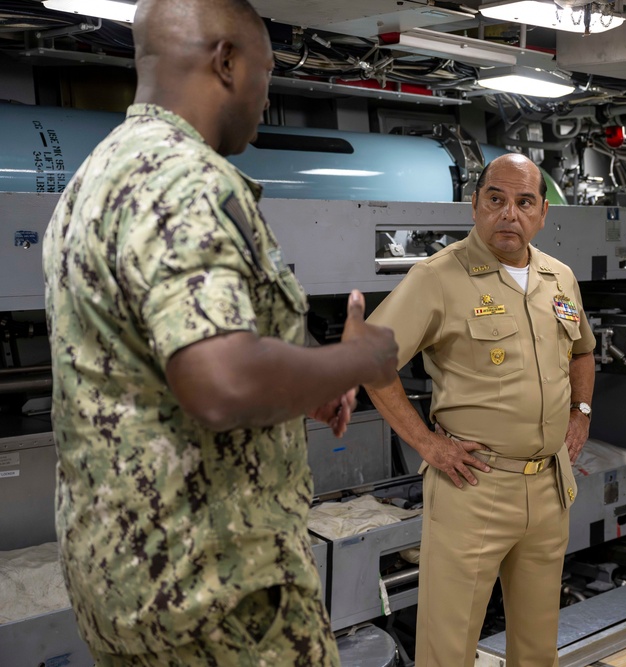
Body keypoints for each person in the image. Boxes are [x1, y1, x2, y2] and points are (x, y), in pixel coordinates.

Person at [42, 0, 397, 665]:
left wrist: (298, 387)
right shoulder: (185, 180)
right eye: (266, 73)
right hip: (218, 596)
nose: (267, 98)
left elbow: (163, 366)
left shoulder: (94, 178)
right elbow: (222, 380)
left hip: (125, 585)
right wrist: (357, 358)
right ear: (226, 61)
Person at [364, 152, 597, 667]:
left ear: (542, 215)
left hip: (549, 486)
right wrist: (427, 444)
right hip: (475, 486)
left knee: (537, 647)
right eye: (496, 199)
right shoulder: (438, 277)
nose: (508, 214)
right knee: (448, 649)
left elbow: (583, 350)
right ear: (474, 206)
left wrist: (580, 413)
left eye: (523, 202)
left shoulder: (559, 278)